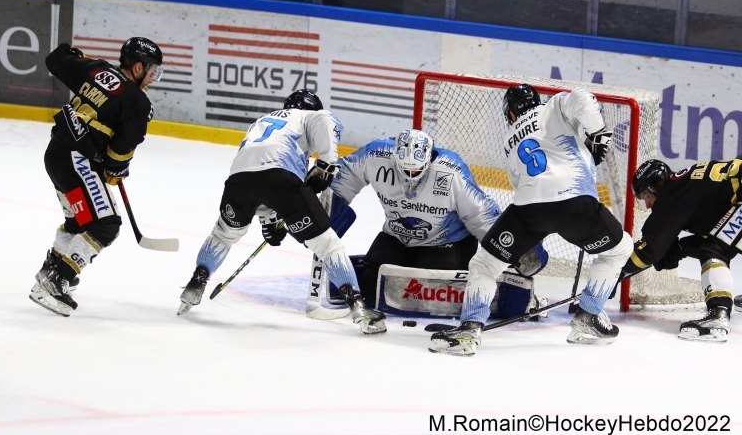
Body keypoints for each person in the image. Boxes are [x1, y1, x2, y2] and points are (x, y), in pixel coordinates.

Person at [429, 84, 634, 356]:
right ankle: (589, 317)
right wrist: (599, 133)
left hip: (529, 210)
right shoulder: (554, 106)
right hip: (576, 206)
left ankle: (469, 329)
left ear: (511, 114)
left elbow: (521, 181)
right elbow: (582, 97)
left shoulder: (509, 139)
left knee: (485, 264)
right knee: (618, 250)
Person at [177, 90, 387, 334]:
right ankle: (359, 307)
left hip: (238, 181)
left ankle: (195, 284)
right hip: (281, 178)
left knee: (223, 236)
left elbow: (259, 173)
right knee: (328, 246)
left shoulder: (262, 122)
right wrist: (326, 166)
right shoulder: (306, 116)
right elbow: (327, 121)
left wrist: (269, 220)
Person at [330, 129, 547, 306]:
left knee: (433, 294)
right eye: (405, 169)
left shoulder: (450, 172)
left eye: (416, 171)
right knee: (368, 285)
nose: (410, 177)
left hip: (447, 243)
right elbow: (346, 172)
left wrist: (514, 247)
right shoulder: (376, 156)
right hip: (398, 238)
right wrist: (328, 206)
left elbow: (479, 214)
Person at [30, 37, 163, 317]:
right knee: (106, 225)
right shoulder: (138, 102)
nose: (153, 77)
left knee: (80, 219)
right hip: (79, 161)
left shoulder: (96, 69)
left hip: (56, 155)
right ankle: (55, 282)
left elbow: (56, 58)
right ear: (138, 67)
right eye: (151, 70)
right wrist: (116, 170)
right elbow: (120, 153)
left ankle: (51, 268)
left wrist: (80, 56)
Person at [622, 158, 742, 342]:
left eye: (646, 196)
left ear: (657, 186)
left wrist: (617, 270)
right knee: (717, 244)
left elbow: (650, 250)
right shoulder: (687, 185)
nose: (646, 205)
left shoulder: (672, 194)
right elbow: (716, 234)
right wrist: (680, 248)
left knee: (715, 250)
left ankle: (718, 316)